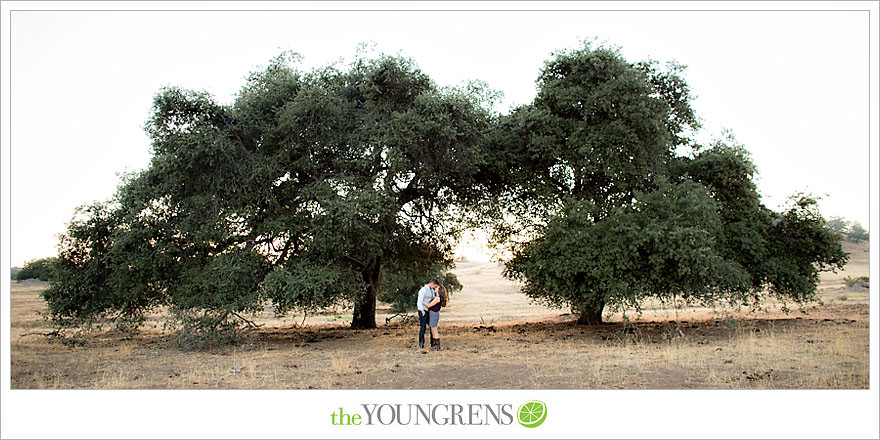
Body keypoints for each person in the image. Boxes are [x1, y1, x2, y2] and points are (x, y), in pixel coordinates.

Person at [416, 278, 440, 349]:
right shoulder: (423, 290)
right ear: (432, 284)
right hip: (423, 310)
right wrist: (422, 310)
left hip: (429, 311)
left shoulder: (432, 291)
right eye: (435, 286)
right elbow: (419, 301)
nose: (435, 288)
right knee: (423, 327)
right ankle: (421, 344)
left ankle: (432, 343)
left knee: (431, 327)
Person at [423, 283, 446, 351]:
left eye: (436, 288)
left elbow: (429, 305)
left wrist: (422, 302)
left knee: (434, 330)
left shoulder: (437, 298)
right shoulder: (436, 298)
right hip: (433, 314)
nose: (435, 289)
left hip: (433, 314)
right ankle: (435, 345)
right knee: (433, 330)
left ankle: (437, 345)